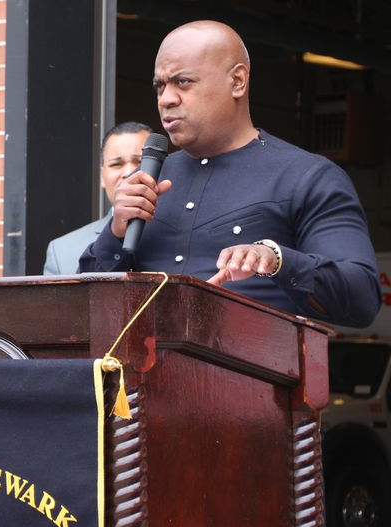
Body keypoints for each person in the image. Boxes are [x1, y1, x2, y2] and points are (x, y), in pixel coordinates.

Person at [80, 20, 380, 328]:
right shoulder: (146, 181)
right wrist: (114, 233)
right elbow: (82, 310)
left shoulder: (307, 176)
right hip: (139, 371)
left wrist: (278, 259)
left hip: (256, 372)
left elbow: (362, 297)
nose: (166, 99)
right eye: (160, 86)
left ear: (237, 81)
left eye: (183, 82)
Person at [44, 122, 152, 274]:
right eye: (116, 164)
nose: (128, 172)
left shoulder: (184, 233)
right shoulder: (62, 250)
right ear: (102, 176)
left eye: (140, 162)